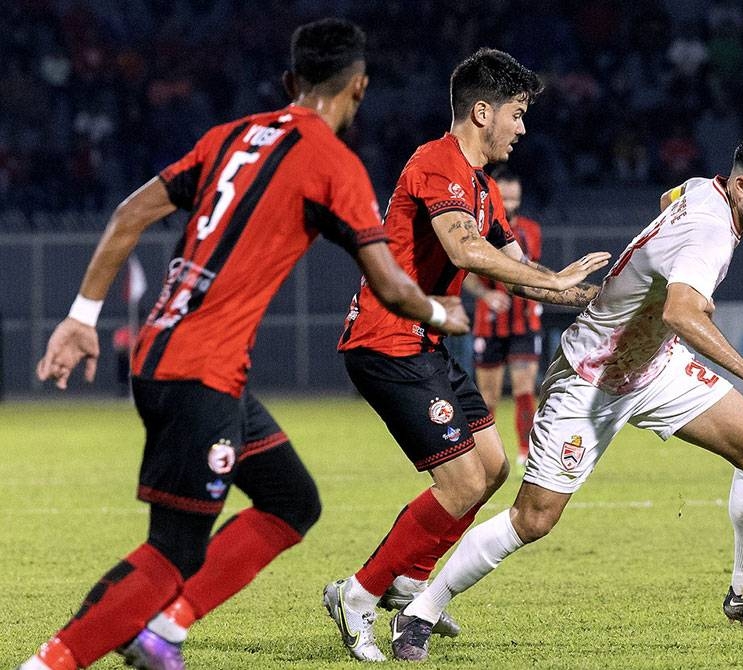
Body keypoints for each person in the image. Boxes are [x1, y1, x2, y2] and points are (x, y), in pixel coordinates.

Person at [22, 18, 469, 670]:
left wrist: (82, 316)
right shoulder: (332, 164)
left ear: (291, 82)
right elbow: (393, 289)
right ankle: (54, 663)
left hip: (173, 355)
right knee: (170, 551)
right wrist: (440, 311)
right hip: (198, 373)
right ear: (360, 88)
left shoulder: (227, 136)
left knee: (291, 501)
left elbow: (128, 214)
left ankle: (162, 633)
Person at [390, 123, 743, 662]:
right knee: (534, 519)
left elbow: (671, 199)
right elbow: (680, 312)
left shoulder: (700, 189)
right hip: (590, 379)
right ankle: (421, 610)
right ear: (739, 186)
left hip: (654, 367)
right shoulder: (709, 233)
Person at [325, 47, 611, 663]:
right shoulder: (437, 163)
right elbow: (463, 252)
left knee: (492, 466)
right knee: (459, 481)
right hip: (385, 340)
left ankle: (408, 576)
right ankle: (357, 594)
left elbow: (516, 271)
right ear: (483, 111)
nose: (523, 127)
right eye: (517, 113)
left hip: (423, 342)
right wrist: (557, 284)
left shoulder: (483, 186)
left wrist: (591, 296)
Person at [463, 167, 545, 466]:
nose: (510, 201)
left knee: (525, 389)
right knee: (488, 396)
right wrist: (486, 295)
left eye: (514, 196)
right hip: (489, 323)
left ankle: (527, 453)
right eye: (505, 195)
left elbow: (532, 271)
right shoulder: (480, 230)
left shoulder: (531, 230)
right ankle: (487, 455)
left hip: (525, 324)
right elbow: (468, 275)